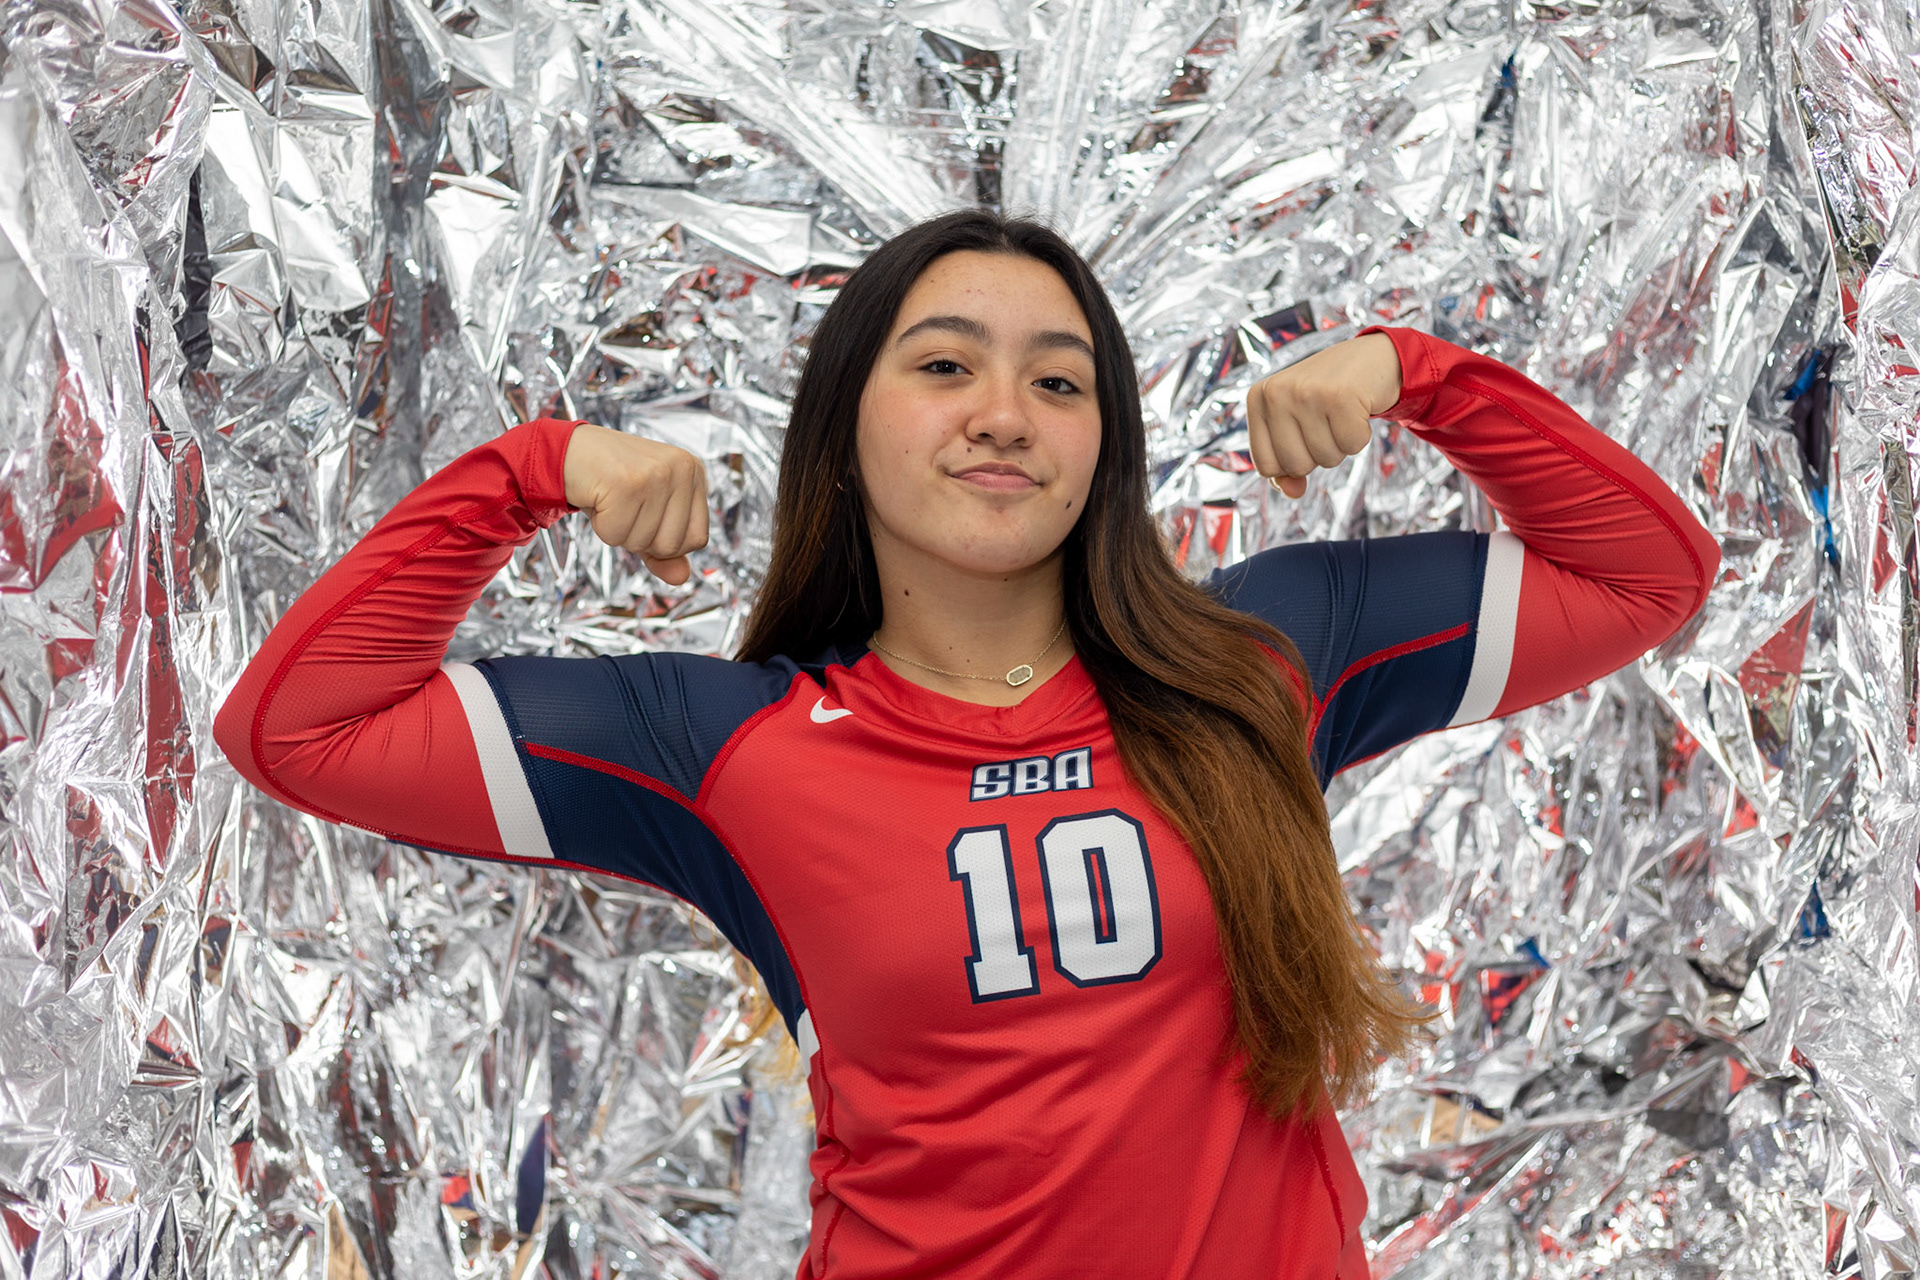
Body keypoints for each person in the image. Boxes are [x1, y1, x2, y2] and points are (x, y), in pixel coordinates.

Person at [214, 209, 1720, 1278]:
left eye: (1058, 382)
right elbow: (304, 728)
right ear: (845, 429)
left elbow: (1643, 576)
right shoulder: (724, 746)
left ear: (1102, 448)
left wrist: (1419, 373)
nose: (1005, 414)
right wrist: (530, 470)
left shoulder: (1267, 660)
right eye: (944, 367)